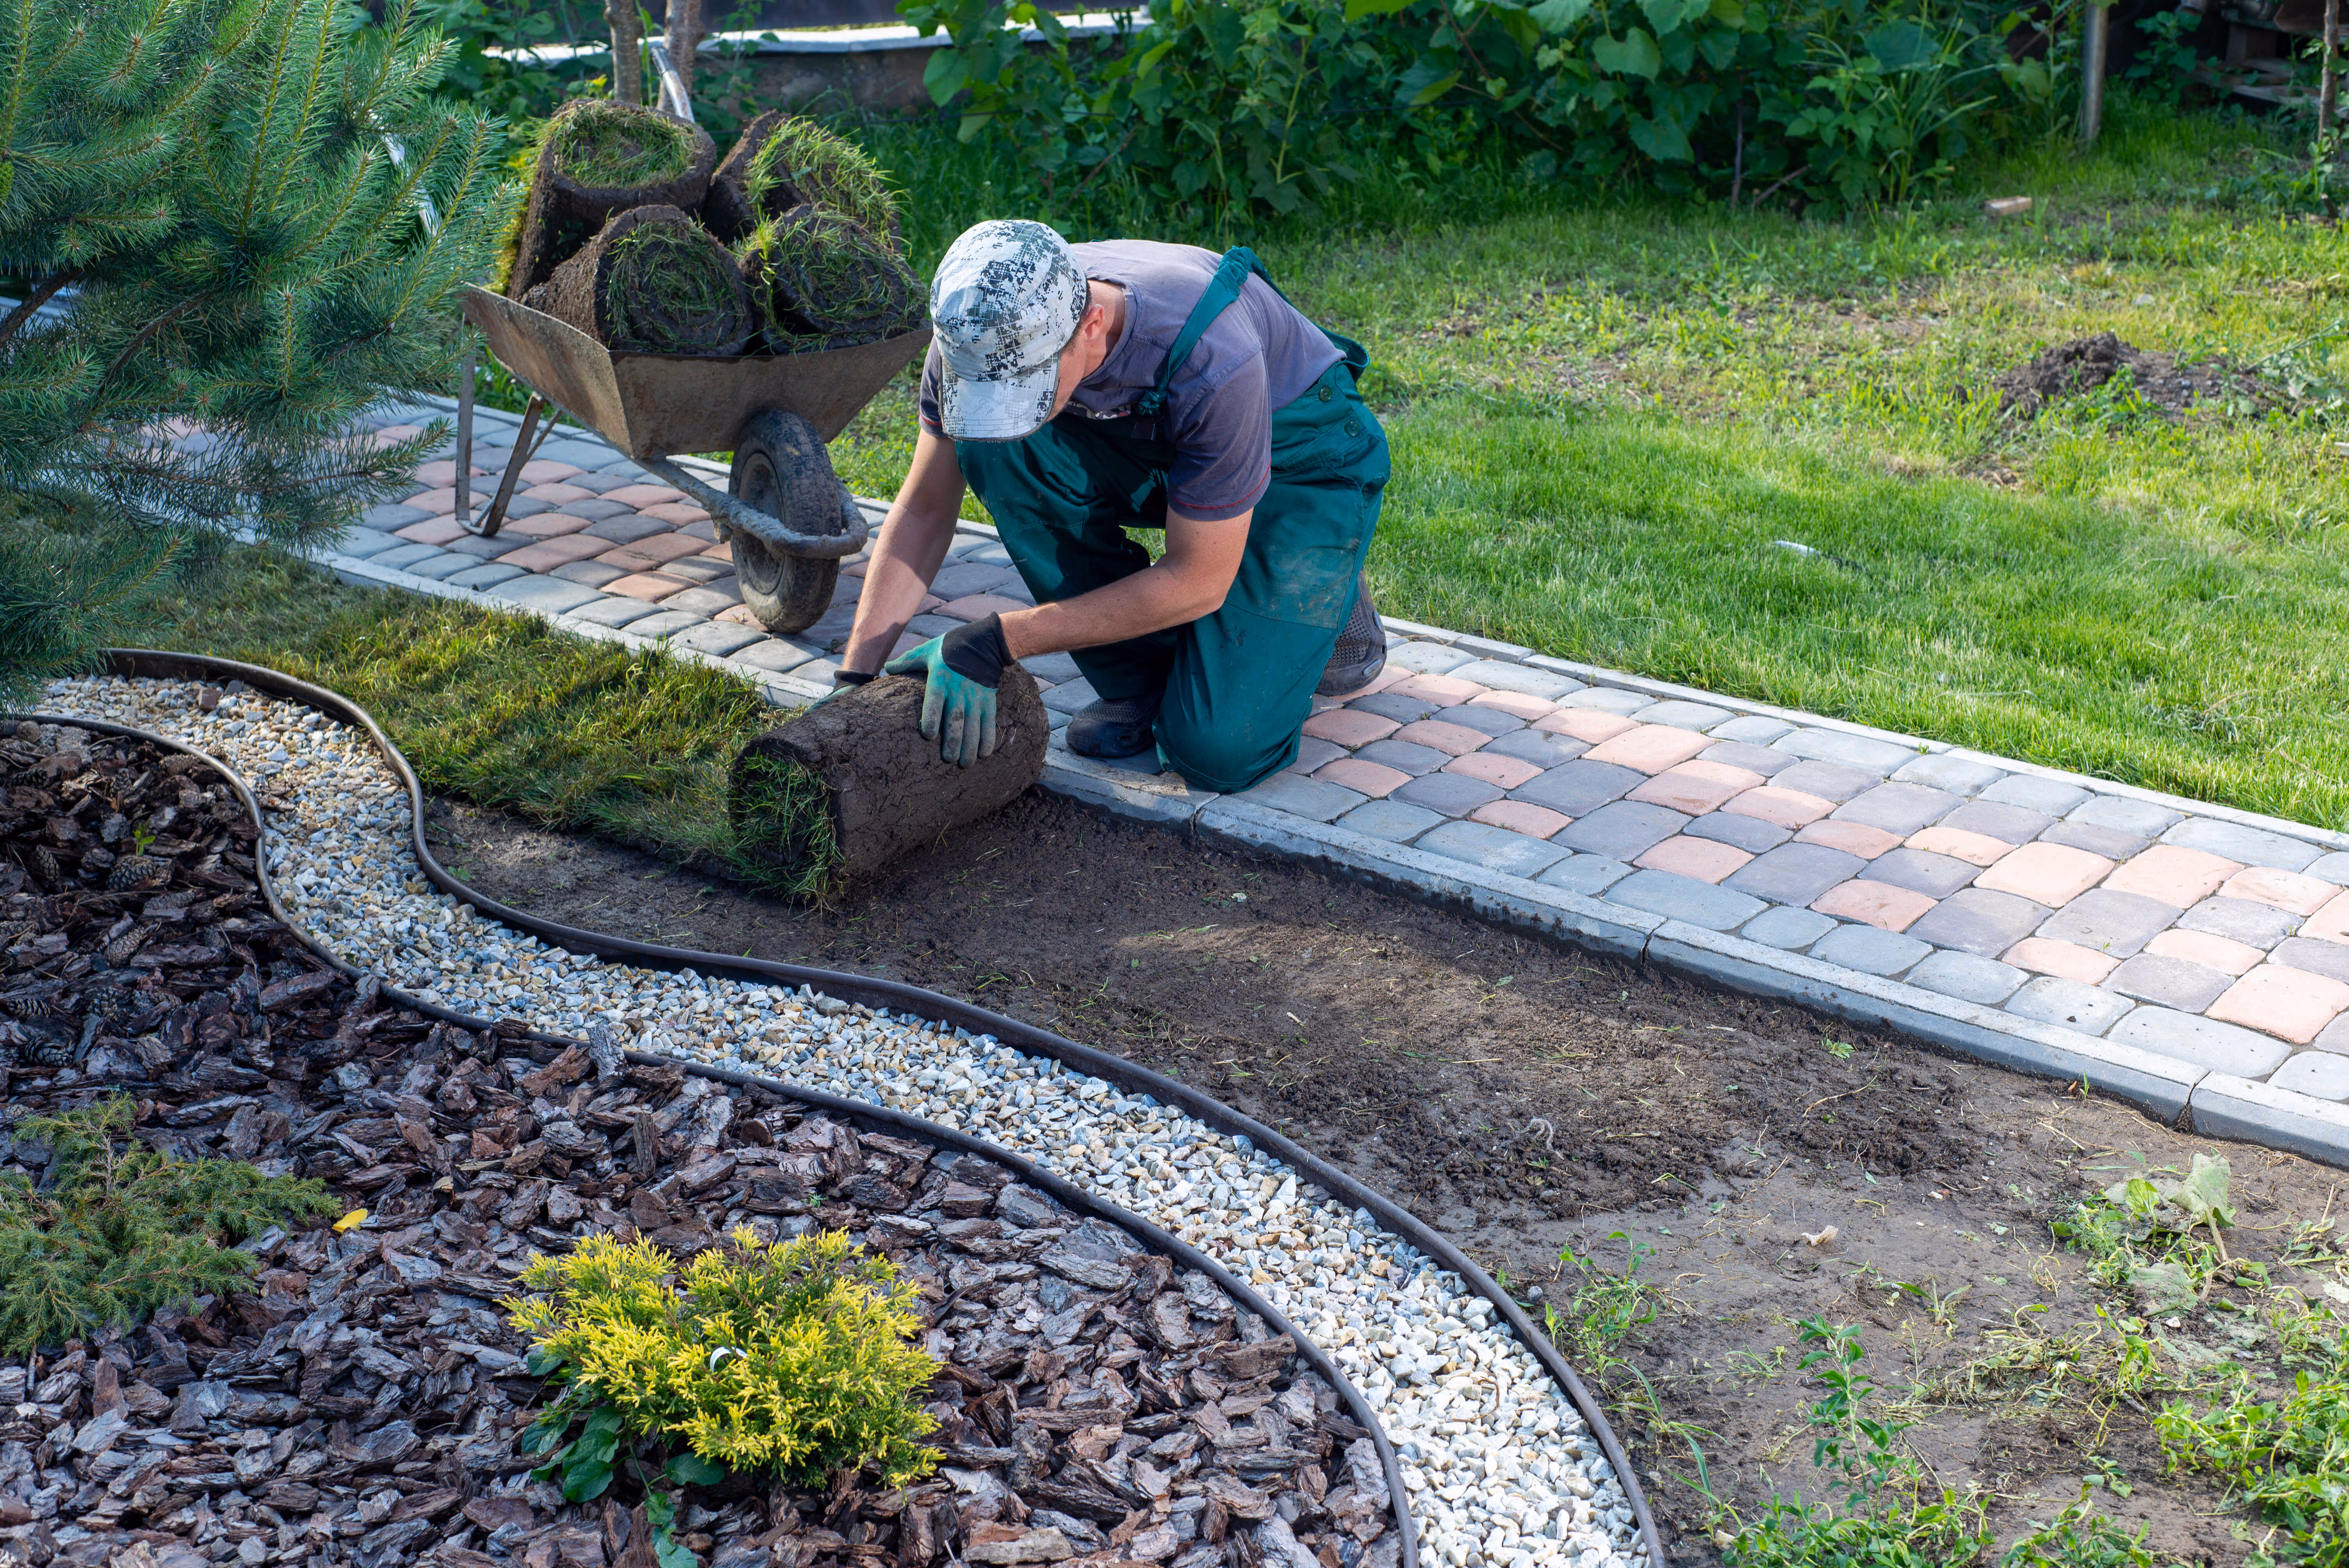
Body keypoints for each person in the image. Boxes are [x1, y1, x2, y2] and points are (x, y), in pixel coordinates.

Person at [830, 220, 1390, 793]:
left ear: (1092, 325)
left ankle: (1323, 577)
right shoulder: (981, 334)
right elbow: (924, 509)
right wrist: (855, 678)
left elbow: (1198, 580)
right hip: (1167, 450)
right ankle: (1146, 676)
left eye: (1028, 390)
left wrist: (999, 640)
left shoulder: (1215, 355)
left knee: (1217, 752)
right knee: (993, 450)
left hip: (1301, 462)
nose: (1010, 408)